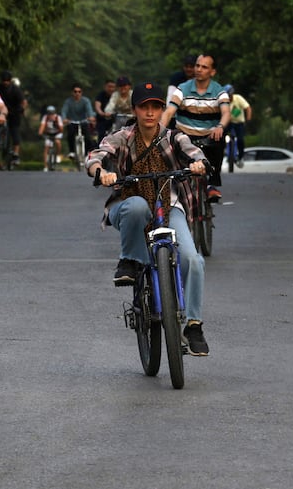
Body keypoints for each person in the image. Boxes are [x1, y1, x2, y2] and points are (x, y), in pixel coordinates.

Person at [86, 82, 211, 356]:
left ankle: (193, 324)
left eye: (156, 107)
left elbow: (192, 151)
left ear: (161, 110)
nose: (150, 113)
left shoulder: (172, 137)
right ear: (135, 110)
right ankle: (130, 261)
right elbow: (97, 155)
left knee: (192, 259)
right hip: (128, 205)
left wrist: (199, 163)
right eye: (145, 107)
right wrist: (100, 172)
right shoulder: (122, 137)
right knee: (138, 206)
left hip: (168, 206)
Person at [160, 54, 230, 201]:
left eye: (204, 67)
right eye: (197, 66)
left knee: (220, 139)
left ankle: (212, 184)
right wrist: (159, 129)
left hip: (209, 137)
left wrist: (220, 126)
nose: (199, 69)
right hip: (184, 136)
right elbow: (169, 112)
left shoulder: (219, 91)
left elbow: (226, 113)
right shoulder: (182, 89)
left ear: (212, 72)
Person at [0, 70, 27, 167]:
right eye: (3, 81)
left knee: (15, 132)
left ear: (10, 81)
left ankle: (16, 154)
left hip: (14, 112)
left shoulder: (16, 90)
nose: (5, 83)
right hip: (1, 112)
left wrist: (22, 109)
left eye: (7, 81)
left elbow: (24, 102)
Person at [61, 83, 96, 159]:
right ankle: (72, 152)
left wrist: (91, 117)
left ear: (81, 92)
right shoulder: (68, 102)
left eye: (79, 91)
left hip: (84, 121)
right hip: (72, 122)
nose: (77, 93)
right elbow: (64, 111)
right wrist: (64, 119)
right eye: (75, 91)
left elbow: (89, 110)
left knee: (87, 137)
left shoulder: (86, 101)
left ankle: (87, 153)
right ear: (72, 92)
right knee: (70, 134)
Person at [223, 83, 251, 167]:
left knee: (240, 139)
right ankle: (223, 151)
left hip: (239, 123)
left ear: (232, 94)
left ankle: (240, 157)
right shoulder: (224, 102)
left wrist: (248, 120)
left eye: (229, 95)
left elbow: (248, 108)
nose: (228, 97)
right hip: (228, 123)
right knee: (220, 136)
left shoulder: (238, 98)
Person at [38, 105, 63, 171]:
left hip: (57, 133)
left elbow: (61, 128)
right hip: (48, 134)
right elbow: (42, 126)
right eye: (49, 113)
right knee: (46, 147)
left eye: (52, 113)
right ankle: (45, 166)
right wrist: (40, 132)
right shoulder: (45, 117)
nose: (50, 115)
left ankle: (58, 155)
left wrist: (55, 122)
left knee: (57, 142)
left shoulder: (58, 117)